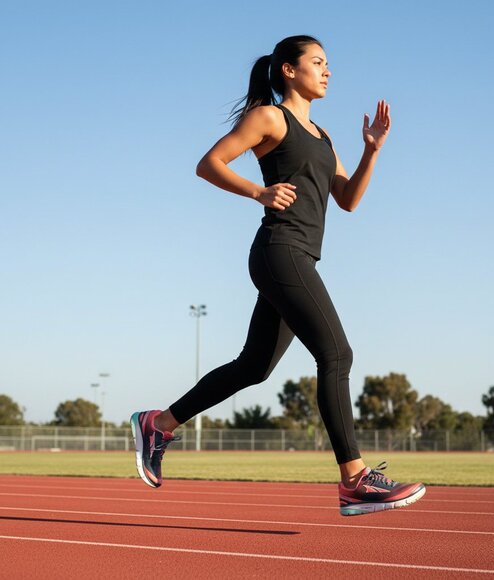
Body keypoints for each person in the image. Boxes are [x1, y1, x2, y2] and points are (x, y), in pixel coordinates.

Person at [131, 35, 425, 516]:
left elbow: (348, 200)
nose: (327, 71)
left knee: (254, 367)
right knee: (336, 353)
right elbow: (209, 164)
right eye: (318, 62)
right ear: (289, 70)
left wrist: (371, 150)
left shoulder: (323, 136)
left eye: (328, 64)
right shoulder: (271, 117)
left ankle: (158, 424)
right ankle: (354, 479)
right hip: (279, 250)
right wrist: (258, 192)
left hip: (300, 256)